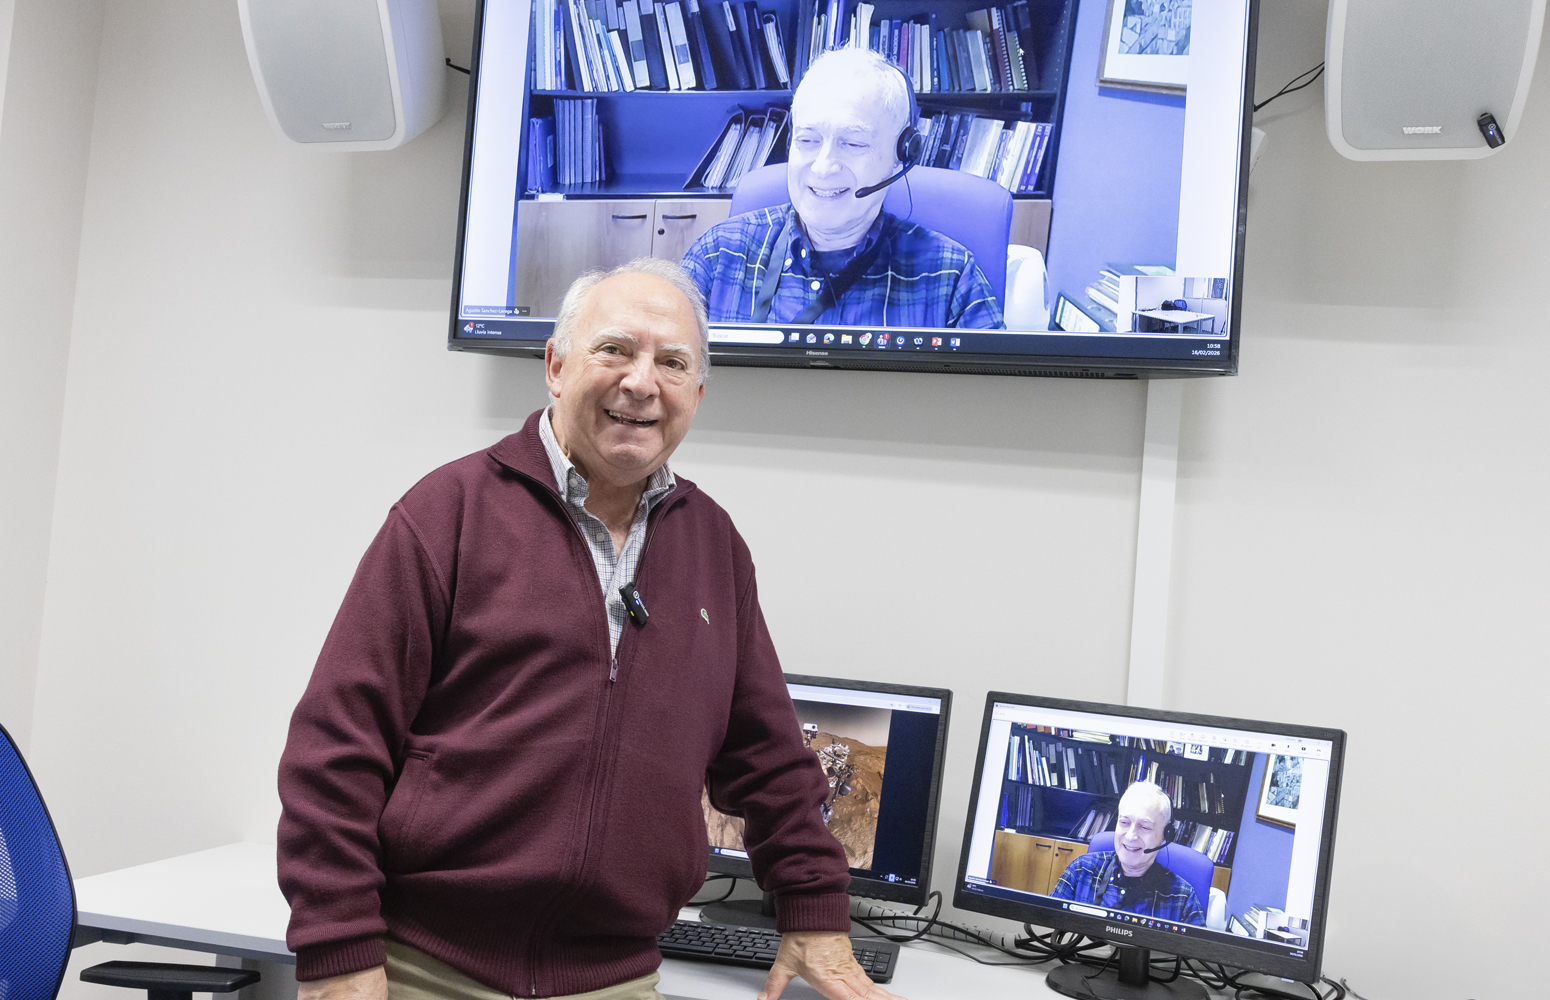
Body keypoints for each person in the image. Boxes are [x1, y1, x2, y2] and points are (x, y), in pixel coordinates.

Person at [276, 258, 903, 1000]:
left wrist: (815, 910)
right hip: (425, 966)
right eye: (615, 350)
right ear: (556, 365)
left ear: (696, 395)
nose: (642, 383)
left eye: (672, 363)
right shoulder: (448, 514)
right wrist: (338, 952)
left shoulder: (714, 546)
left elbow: (766, 756)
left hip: (615, 979)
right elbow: (337, 749)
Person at [681, 48, 1003, 329]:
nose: (823, 166)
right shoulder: (717, 255)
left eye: (852, 143)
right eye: (807, 140)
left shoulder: (952, 279)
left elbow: (997, 396)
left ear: (901, 154)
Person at [1047, 781, 1206, 926]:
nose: (1130, 836)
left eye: (1144, 827)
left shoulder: (1184, 898)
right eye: (1124, 823)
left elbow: (1199, 955)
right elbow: (1047, 925)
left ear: (1166, 835)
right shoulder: (1080, 870)